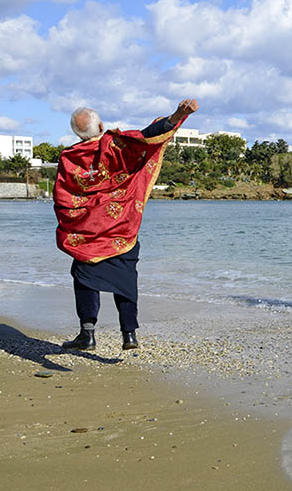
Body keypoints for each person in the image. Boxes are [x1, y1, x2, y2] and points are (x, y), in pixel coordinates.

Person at [54, 99, 198, 351]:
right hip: (121, 230)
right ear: (100, 125)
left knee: (85, 278)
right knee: (126, 280)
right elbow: (146, 138)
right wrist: (177, 116)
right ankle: (128, 335)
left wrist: (77, 221)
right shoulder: (115, 145)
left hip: (85, 236)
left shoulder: (69, 158)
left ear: (76, 133)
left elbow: (63, 198)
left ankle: (87, 335)